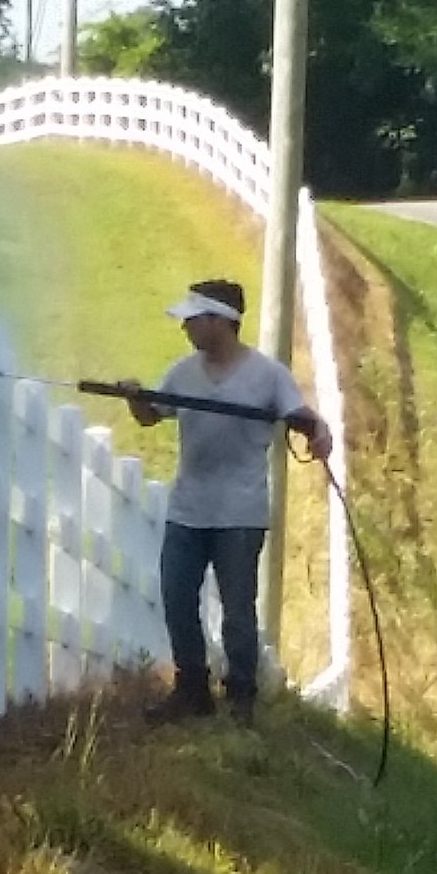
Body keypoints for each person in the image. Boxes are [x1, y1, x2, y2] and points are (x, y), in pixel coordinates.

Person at [142, 275, 331, 721]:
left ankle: (241, 695)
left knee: (238, 609)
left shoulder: (268, 375)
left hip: (239, 513)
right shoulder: (181, 372)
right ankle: (192, 690)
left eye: (192, 320)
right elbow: (152, 415)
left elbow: (299, 415)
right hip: (187, 509)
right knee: (176, 597)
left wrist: (318, 430)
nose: (185, 328)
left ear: (219, 322)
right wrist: (136, 397)